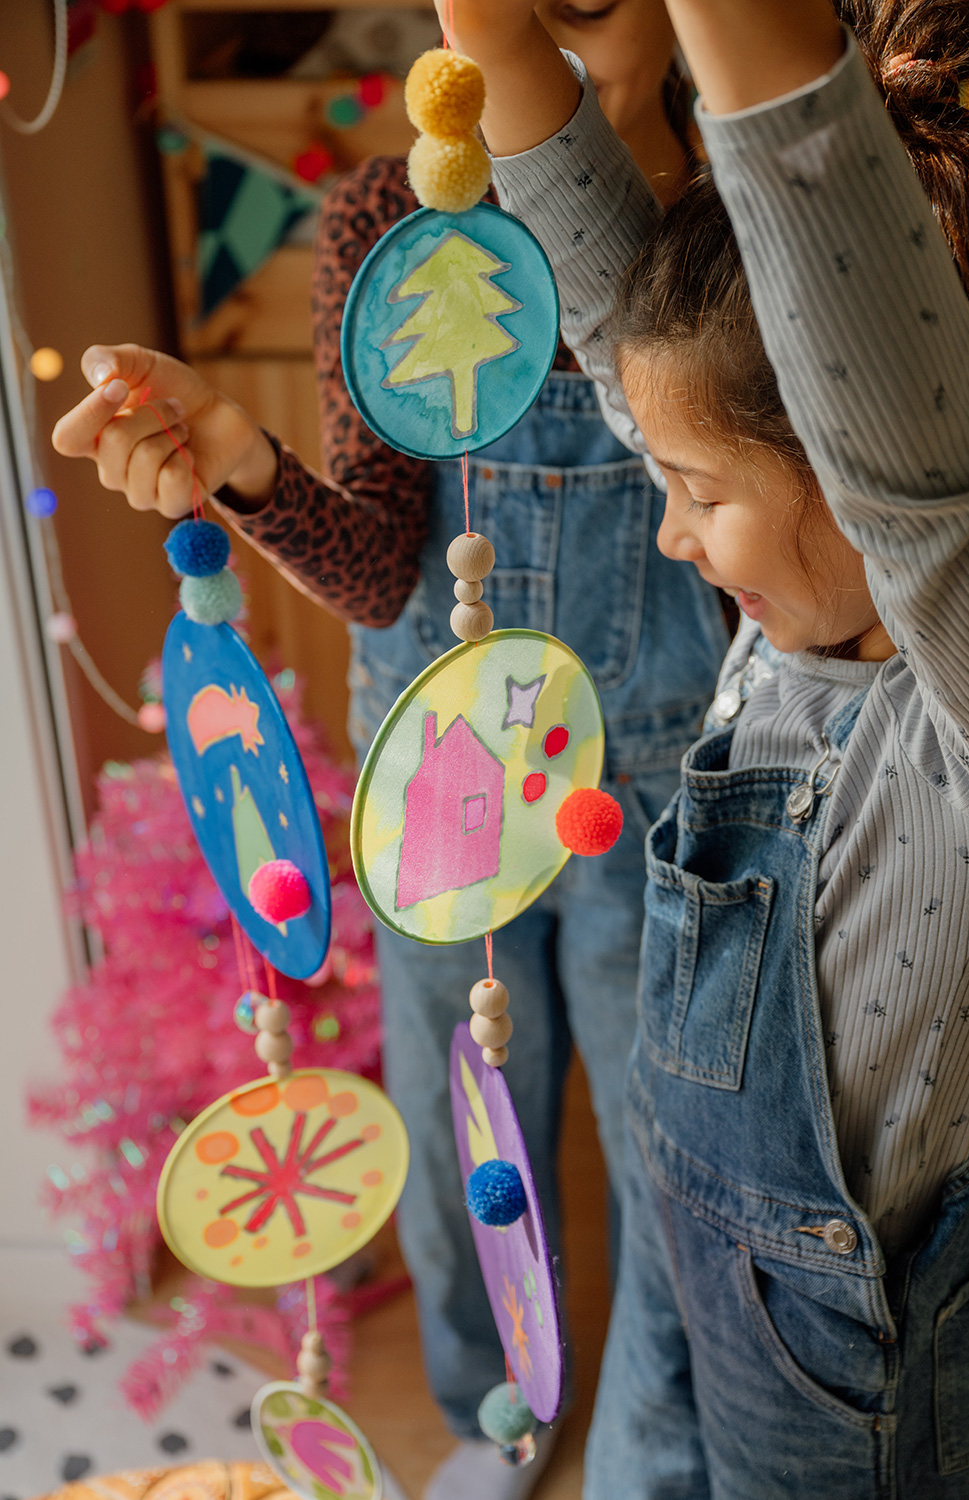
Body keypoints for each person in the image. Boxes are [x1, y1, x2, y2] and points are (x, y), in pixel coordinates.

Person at [51, 7, 731, 1497]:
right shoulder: (392, 219)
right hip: (439, 789)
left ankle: (653, 1448)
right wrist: (237, 456)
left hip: (652, 785)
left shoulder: (725, 215)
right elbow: (372, 566)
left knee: (671, 1156)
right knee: (454, 1133)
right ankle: (493, 1419)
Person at [439, 0, 969, 1494]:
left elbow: (893, 427)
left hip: (839, 1361)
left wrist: (744, 44)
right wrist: (490, 42)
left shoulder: (964, 676)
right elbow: (620, 309)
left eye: (696, 486)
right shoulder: (801, 606)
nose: (673, 528)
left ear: (848, 457)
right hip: (691, 1255)